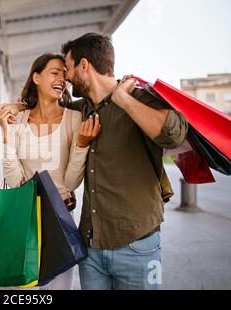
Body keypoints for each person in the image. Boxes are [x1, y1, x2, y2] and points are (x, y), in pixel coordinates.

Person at [60, 32, 188, 290]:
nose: (65, 76)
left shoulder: (139, 97)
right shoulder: (81, 109)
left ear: (84, 65)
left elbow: (174, 134)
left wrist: (123, 100)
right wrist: (20, 108)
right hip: (91, 249)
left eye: (68, 68)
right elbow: (48, 110)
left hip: (138, 247)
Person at [0, 53, 100, 290]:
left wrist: (81, 145)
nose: (62, 78)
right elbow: (14, 181)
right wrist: (6, 133)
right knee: (27, 290)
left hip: (61, 218)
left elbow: (71, 182)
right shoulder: (18, 119)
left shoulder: (74, 118)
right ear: (36, 77)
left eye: (64, 74)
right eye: (54, 72)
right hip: (24, 218)